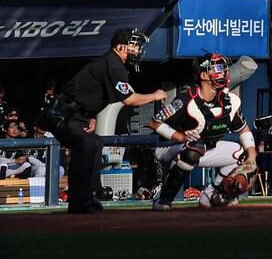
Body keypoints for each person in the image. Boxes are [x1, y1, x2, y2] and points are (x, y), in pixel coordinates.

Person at [45, 28, 167, 214]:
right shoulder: (113, 65)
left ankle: (88, 195)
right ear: (120, 47)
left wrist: (90, 116)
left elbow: (92, 93)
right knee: (85, 145)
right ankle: (78, 201)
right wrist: (155, 95)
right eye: (133, 45)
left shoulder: (112, 64)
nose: (137, 50)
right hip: (62, 113)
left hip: (76, 114)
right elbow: (129, 99)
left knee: (95, 143)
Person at [149, 53, 258, 210]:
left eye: (224, 68)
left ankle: (210, 196)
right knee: (194, 149)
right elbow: (154, 123)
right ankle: (163, 200)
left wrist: (252, 157)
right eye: (219, 68)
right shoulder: (185, 100)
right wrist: (179, 136)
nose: (224, 72)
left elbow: (244, 130)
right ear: (204, 75)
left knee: (242, 154)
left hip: (203, 146)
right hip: (168, 145)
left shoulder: (228, 101)